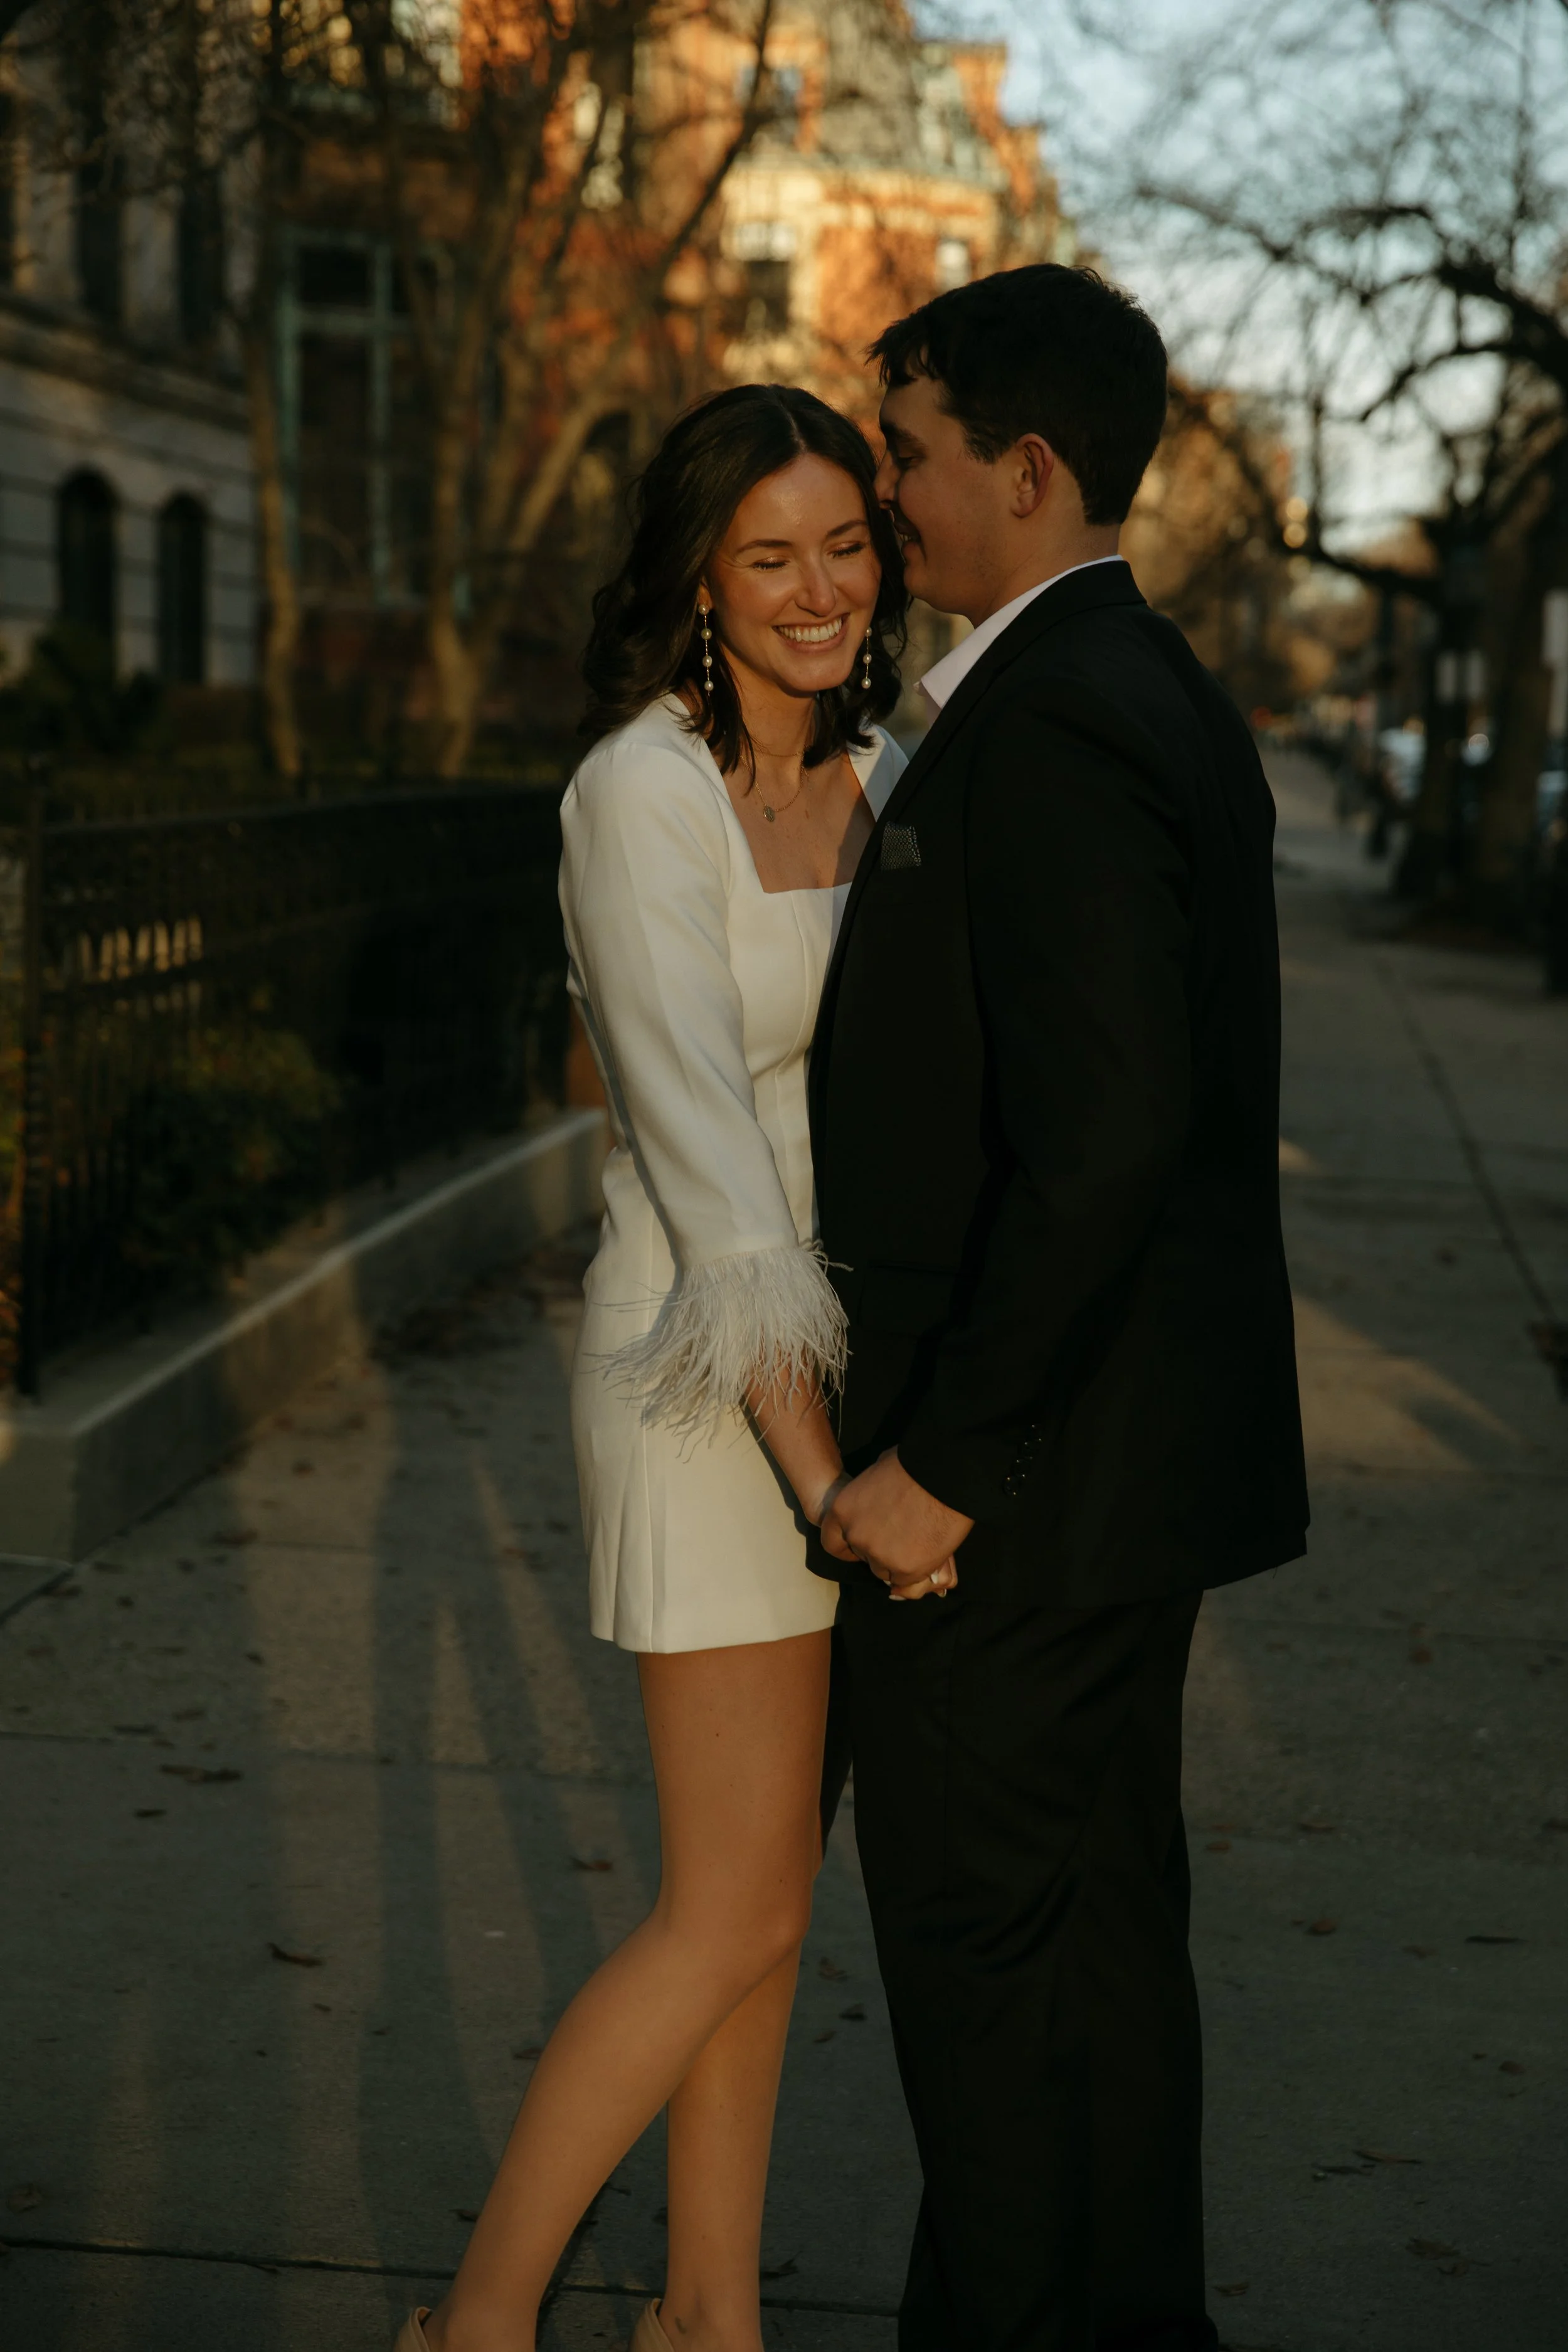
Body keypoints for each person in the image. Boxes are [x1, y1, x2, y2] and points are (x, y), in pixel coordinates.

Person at [397, 383, 937, 2352]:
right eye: (767, 555)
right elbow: (711, 1166)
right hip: (716, 1375)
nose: (815, 589)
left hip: (847, 1378)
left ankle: (708, 2315)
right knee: (732, 1904)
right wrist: (823, 1482)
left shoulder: (892, 761)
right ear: (699, 581)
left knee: (768, 1899)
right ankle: (474, 2325)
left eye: (843, 545)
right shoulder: (641, 790)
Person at [813, 265, 1310, 2351]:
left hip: (1025, 1500)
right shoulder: (1142, 686)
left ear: (1024, 470)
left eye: (905, 452)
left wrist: (940, 1467)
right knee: (1089, 1967)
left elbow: (1105, 1142)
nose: (881, 492)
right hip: (1117, 1488)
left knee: (998, 2001)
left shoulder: (1061, 720)